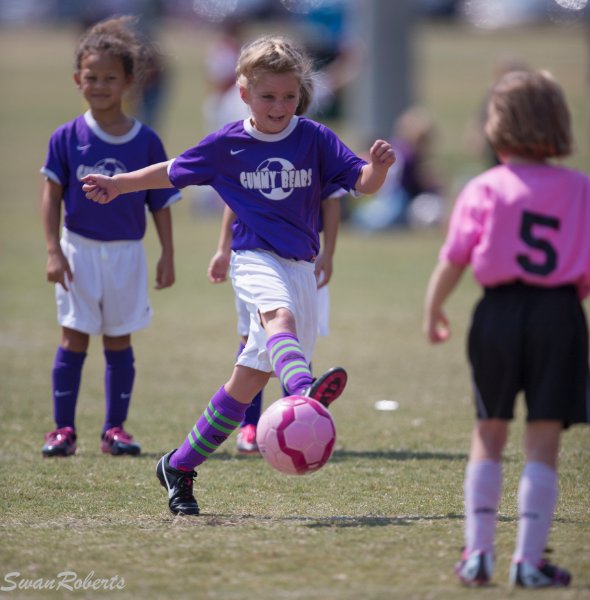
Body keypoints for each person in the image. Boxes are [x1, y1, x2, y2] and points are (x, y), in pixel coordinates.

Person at [82, 35, 395, 515]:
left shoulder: (314, 137)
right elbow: (172, 170)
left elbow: (362, 184)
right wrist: (120, 184)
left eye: (289, 96)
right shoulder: (228, 143)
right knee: (278, 318)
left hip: (301, 267)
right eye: (268, 96)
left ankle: (178, 465)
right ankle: (301, 390)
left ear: (301, 94)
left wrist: (378, 169)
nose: (279, 106)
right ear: (244, 92)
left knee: (244, 385)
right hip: (253, 258)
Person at [423, 70, 589, 588]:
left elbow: (454, 258)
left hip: (495, 315)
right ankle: (528, 561)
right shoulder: (579, 188)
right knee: (543, 441)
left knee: (488, 433)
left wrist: (434, 308)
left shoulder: (484, 186)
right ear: (558, 124)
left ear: (496, 126)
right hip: (559, 314)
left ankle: (478, 556)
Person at [40, 16, 181, 458]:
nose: (99, 85)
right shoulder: (66, 138)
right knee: (73, 338)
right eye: (91, 77)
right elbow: (51, 198)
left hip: (126, 254)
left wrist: (167, 255)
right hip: (78, 250)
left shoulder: (146, 142)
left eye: (109, 78)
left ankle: (114, 430)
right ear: (77, 79)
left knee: (119, 340)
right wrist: (53, 253)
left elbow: (160, 204)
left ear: (129, 82)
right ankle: (62, 430)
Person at [207, 186, 346, 454]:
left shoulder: (314, 146)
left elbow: (331, 199)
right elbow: (234, 197)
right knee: (251, 338)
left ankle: (297, 421)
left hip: (302, 258)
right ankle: (249, 425)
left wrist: (329, 252)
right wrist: (223, 248)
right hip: (253, 257)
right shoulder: (248, 148)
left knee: (300, 342)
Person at [351, 106, 444, 231]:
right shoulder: (409, 155)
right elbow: (415, 183)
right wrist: (433, 187)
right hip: (398, 201)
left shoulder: (393, 146)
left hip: (384, 198)